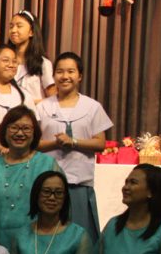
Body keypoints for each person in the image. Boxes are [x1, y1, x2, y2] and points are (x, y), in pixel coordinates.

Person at [36, 53, 111, 243]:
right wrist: (55, 143)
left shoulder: (92, 107)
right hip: (48, 184)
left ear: (80, 76)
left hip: (80, 184)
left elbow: (100, 143)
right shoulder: (42, 107)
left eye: (71, 71)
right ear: (53, 76)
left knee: (81, 239)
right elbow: (33, 144)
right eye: (60, 71)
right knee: (49, 238)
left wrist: (74, 142)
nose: (65, 76)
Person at [0, 106, 59, 246]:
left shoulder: (47, 164)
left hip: (38, 245)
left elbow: (62, 208)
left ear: (35, 133)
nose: (20, 133)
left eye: (26, 128)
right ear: (4, 131)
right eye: (14, 128)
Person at [6, 10, 55, 102]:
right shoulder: (4, 61)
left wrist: (30, 103)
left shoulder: (42, 63)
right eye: (11, 26)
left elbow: (53, 99)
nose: (13, 30)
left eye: (19, 26)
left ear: (31, 32)